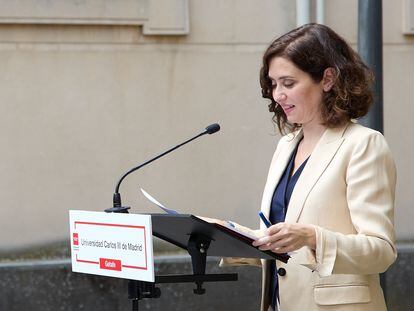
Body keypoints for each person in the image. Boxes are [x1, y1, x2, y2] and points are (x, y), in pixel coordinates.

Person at [223, 23, 397, 311]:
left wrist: (312, 237)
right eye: (273, 84)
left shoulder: (364, 144)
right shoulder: (286, 146)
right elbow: (284, 239)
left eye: (288, 83)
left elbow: (381, 251)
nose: (277, 95)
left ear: (327, 79)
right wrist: (224, 236)